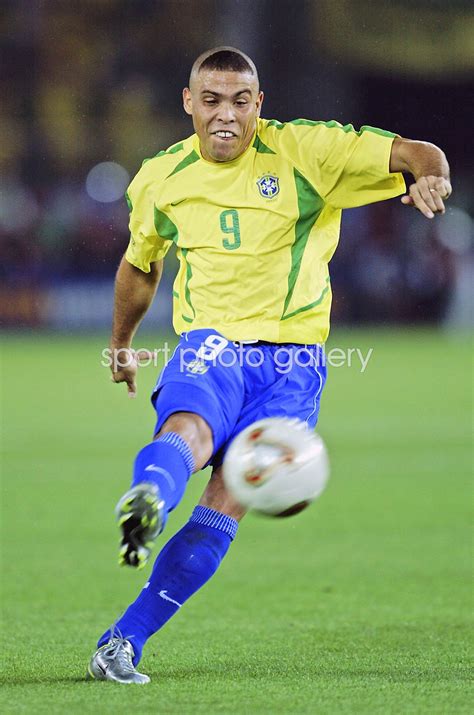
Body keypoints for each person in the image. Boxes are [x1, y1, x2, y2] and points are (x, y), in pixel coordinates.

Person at [87, 47, 451, 684]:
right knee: (200, 453)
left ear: (259, 104)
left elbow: (417, 152)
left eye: (238, 102)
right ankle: (130, 602)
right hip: (211, 343)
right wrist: (121, 340)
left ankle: (129, 610)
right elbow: (141, 263)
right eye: (211, 101)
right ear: (188, 103)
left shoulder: (310, 153)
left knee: (219, 492)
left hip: (292, 366)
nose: (224, 116)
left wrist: (430, 175)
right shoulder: (160, 178)